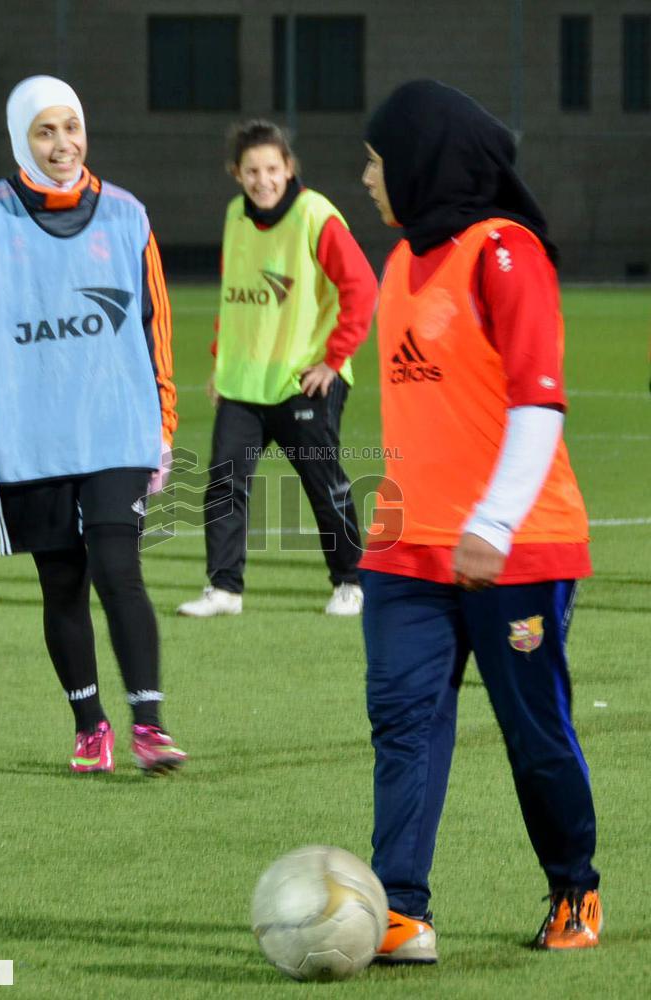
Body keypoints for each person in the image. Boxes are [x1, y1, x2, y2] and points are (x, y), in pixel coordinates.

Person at [359, 80, 601, 960]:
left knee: (532, 727)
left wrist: (493, 525)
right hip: (404, 549)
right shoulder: (396, 260)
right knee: (403, 720)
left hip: (516, 549)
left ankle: (574, 884)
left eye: (378, 160)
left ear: (423, 161)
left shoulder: (505, 252)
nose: (367, 177)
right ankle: (400, 909)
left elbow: (540, 403)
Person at [0, 75, 186, 775]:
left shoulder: (127, 214)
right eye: (46, 131)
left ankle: (149, 724)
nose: (64, 143)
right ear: (20, 140)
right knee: (61, 583)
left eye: (72, 126)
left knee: (118, 571)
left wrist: (163, 424)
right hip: (29, 437)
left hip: (115, 432)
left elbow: (157, 328)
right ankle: (89, 723)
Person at [177, 120, 378, 618]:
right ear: (235, 173)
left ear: (289, 169)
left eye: (272, 168)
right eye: (251, 170)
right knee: (225, 481)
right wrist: (222, 365)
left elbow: (363, 289)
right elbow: (236, 296)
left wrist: (334, 360)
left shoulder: (315, 216)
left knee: (321, 482)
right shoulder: (234, 217)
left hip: (302, 381)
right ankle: (224, 589)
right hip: (244, 384)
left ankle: (351, 582)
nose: (262, 179)